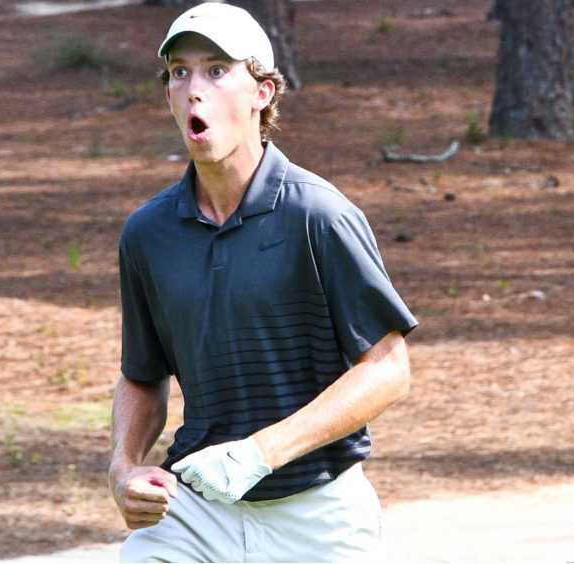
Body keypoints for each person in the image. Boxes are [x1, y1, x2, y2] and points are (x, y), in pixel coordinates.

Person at [108, 4, 419, 561]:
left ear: (264, 92)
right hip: (200, 510)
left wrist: (258, 453)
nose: (194, 89)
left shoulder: (318, 214)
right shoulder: (147, 233)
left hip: (317, 511)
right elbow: (141, 376)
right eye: (180, 72)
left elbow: (388, 369)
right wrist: (123, 467)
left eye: (217, 70)